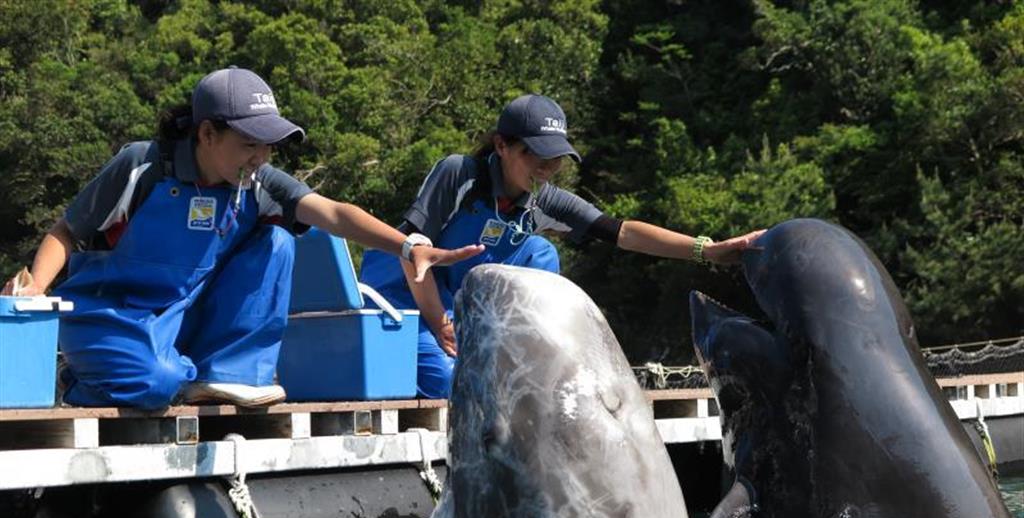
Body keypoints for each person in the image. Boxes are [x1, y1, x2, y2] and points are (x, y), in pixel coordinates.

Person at [0, 67, 482, 409]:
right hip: (111, 314)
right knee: (155, 386)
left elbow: (333, 212)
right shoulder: (142, 166)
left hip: (182, 314)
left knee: (278, 242)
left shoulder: (259, 184)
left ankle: (224, 374)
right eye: (249, 144)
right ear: (207, 134)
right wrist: (35, 292)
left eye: (267, 146)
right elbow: (67, 230)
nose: (259, 157)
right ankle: (86, 377)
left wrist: (407, 246)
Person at [360, 94, 764, 398]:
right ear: (502, 146)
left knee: (541, 253)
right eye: (535, 155)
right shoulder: (460, 175)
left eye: (555, 159)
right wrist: (442, 327)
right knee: (456, 384)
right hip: (403, 297)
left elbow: (622, 231)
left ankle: (520, 359)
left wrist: (705, 250)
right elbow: (413, 252)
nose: (546, 169)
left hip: (455, 299)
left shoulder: (542, 199)